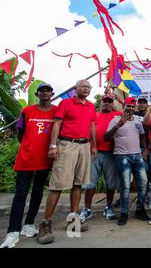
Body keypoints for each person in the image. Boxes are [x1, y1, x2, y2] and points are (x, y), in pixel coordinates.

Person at [37, 80, 97, 244]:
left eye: (88, 87)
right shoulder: (66, 103)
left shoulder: (91, 106)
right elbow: (57, 124)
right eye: (82, 86)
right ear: (75, 89)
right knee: (57, 185)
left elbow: (92, 126)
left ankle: (73, 218)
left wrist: (94, 146)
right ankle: (46, 224)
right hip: (67, 145)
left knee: (78, 184)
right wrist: (53, 145)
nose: (85, 89)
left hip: (85, 146)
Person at [1, 84, 57, 248]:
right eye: (42, 91)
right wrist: (29, 147)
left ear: (52, 94)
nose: (45, 93)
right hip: (26, 159)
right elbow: (20, 133)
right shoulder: (27, 111)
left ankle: (29, 224)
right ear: (37, 94)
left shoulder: (56, 112)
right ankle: (13, 232)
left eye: (48, 91)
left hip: (44, 160)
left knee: (38, 192)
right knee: (20, 194)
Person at [104, 97, 149, 226]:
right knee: (125, 187)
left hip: (137, 155)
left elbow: (142, 136)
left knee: (143, 184)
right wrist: (118, 125)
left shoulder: (137, 121)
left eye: (132, 107)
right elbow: (106, 138)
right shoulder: (115, 120)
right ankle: (124, 214)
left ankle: (140, 210)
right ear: (124, 106)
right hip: (122, 156)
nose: (130, 109)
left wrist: (145, 149)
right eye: (128, 106)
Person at [79, 95, 122, 222]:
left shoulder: (118, 114)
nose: (107, 104)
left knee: (111, 183)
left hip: (111, 153)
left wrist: (120, 101)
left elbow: (129, 112)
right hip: (94, 152)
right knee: (90, 182)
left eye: (110, 102)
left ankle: (108, 207)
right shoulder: (93, 114)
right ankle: (87, 209)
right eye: (105, 102)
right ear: (100, 103)